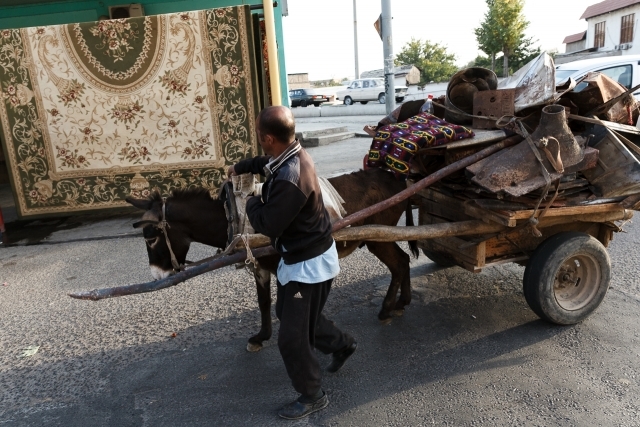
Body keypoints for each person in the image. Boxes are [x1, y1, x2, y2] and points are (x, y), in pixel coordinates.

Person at [227, 106, 357, 420]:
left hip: (307, 269)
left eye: (259, 136)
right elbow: (264, 162)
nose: (259, 142)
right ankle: (341, 344)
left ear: (269, 138)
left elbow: (267, 224)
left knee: (291, 338)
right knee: (286, 312)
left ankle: (312, 395)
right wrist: (240, 166)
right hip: (301, 257)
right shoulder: (291, 153)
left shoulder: (289, 179)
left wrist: (251, 197)